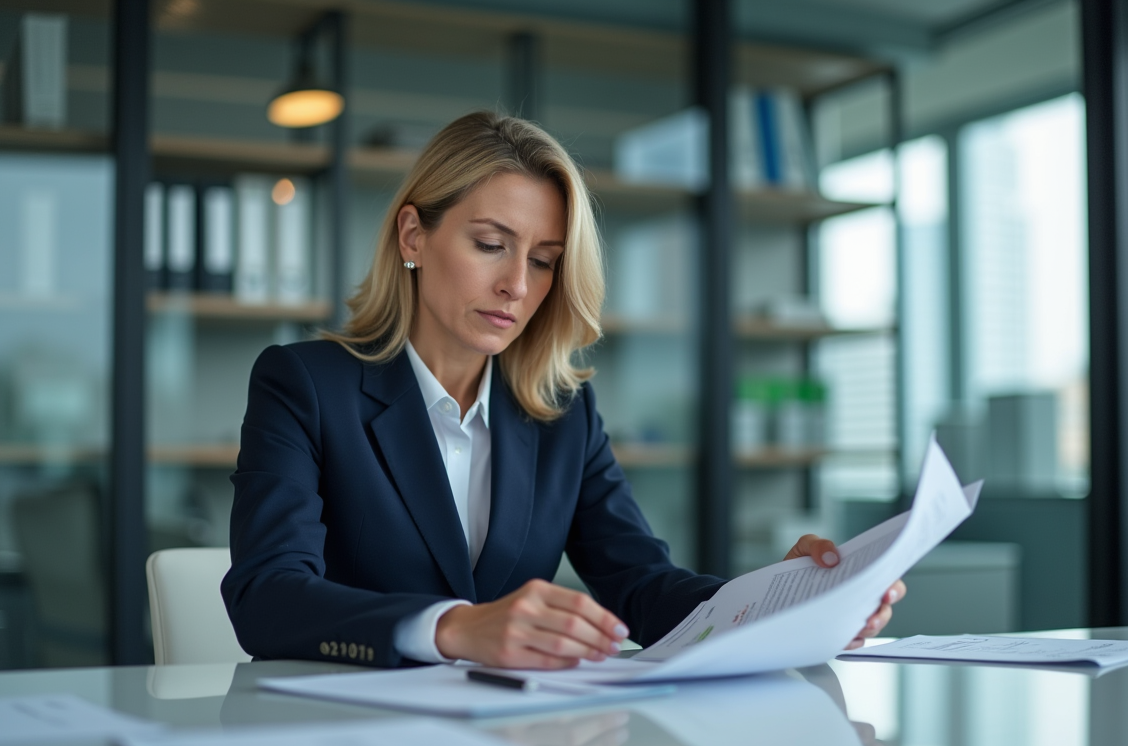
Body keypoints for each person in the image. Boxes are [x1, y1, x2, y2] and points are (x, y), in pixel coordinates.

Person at [221, 111, 904, 670]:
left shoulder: (561, 414)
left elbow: (641, 584)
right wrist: (452, 628)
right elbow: (266, 596)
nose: (518, 285)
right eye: (491, 244)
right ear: (413, 236)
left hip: (508, 739)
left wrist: (782, 604)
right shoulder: (305, 384)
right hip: (345, 742)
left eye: (544, 261)